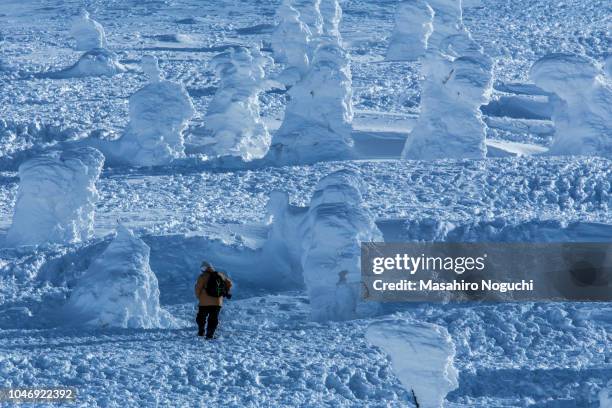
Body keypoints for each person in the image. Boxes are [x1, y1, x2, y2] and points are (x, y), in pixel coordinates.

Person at [194, 261, 232, 339]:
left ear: (204, 268)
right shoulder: (220, 275)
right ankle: (210, 334)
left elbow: (197, 289)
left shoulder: (202, 276)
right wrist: (226, 291)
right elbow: (229, 283)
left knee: (201, 317)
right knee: (213, 318)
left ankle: (201, 332)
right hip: (217, 302)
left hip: (204, 302)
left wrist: (199, 297)